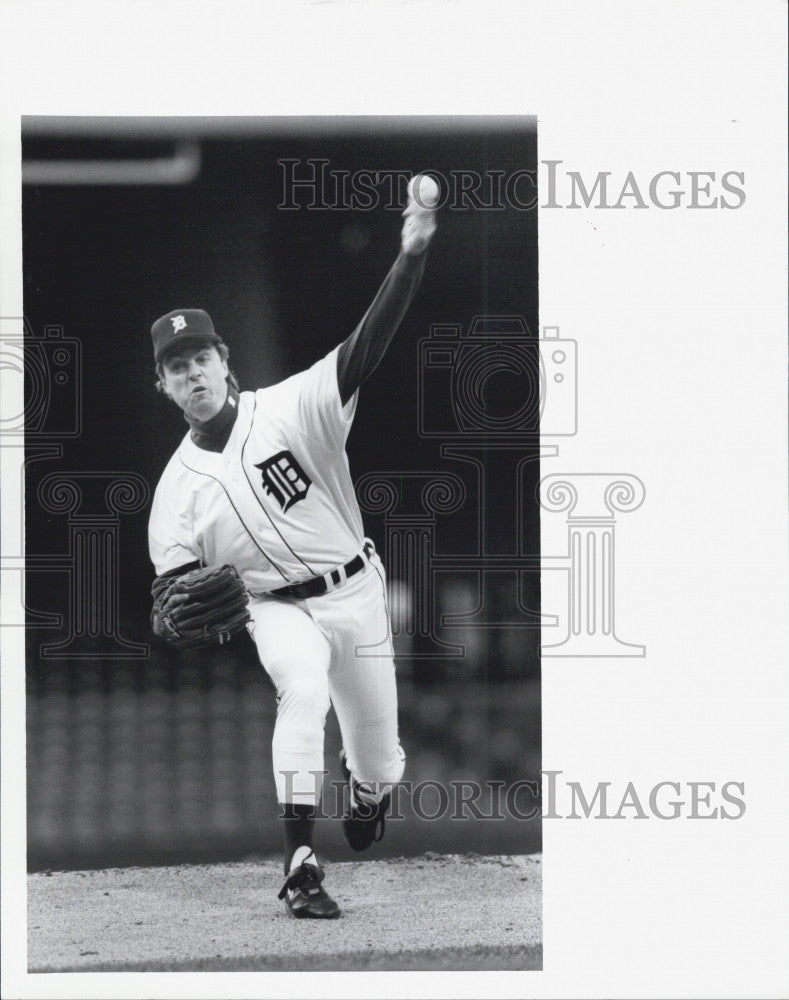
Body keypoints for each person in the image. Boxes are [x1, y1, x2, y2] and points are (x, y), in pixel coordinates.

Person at [147, 177, 438, 918]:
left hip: (356, 591)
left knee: (379, 769)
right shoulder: (174, 491)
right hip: (276, 611)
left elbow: (367, 344)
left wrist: (409, 255)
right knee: (302, 690)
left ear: (223, 360)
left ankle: (364, 787)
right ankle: (300, 864)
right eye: (176, 367)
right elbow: (168, 600)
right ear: (165, 387)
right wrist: (177, 619)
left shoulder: (292, 406)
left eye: (199, 357)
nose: (192, 373)